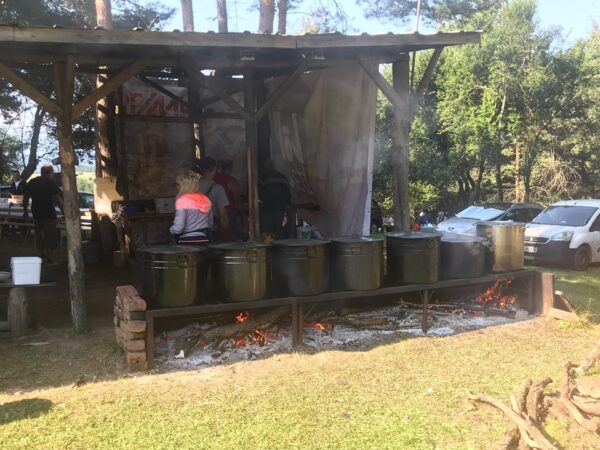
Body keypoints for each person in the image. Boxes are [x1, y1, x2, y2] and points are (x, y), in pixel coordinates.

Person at [23, 165, 64, 263]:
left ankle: (41, 255)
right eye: (52, 172)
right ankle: (49, 258)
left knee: (39, 235)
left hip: (36, 212)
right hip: (48, 213)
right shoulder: (50, 183)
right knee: (50, 235)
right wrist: (64, 212)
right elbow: (57, 199)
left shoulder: (32, 182)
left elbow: (25, 197)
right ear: (50, 172)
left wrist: (25, 211)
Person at [170, 171, 212, 245]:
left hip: (186, 241)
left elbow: (178, 229)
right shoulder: (206, 199)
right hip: (204, 239)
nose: (176, 187)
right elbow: (210, 223)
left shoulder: (182, 201)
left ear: (182, 186)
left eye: (177, 184)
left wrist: (171, 229)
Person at [196, 157, 231, 242]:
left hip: (194, 229)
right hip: (211, 230)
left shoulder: (192, 187)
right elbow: (223, 215)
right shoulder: (218, 189)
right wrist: (227, 236)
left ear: (200, 169)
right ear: (215, 169)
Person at [214, 159, 246, 240]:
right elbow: (237, 201)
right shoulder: (231, 181)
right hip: (229, 213)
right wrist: (243, 215)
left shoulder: (214, 178)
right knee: (231, 236)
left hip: (215, 212)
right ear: (230, 168)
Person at [259, 160, 291, 237]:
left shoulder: (264, 178)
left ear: (267, 167)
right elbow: (288, 194)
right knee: (279, 232)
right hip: (280, 209)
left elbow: (260, 194)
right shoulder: (283, 178)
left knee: (268, 234)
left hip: (268, 210)